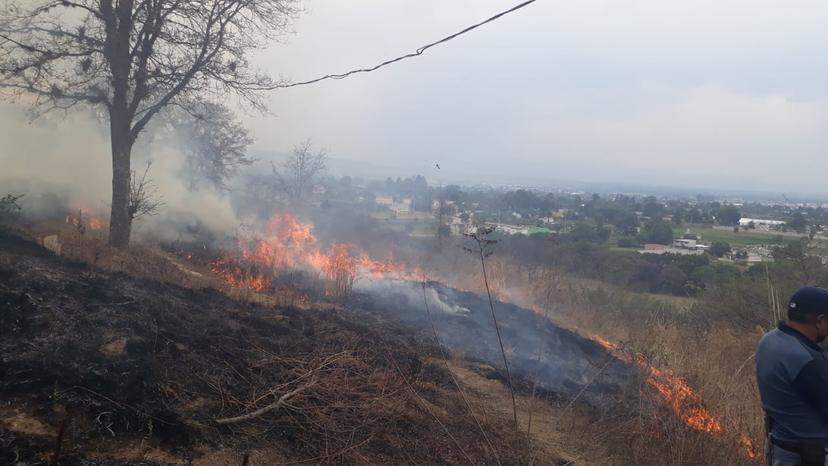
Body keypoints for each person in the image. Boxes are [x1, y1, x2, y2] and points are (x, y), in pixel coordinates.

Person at [756, 285, 828, 466]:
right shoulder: (806, 360)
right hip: (808, 455)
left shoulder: (769, 340)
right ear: (820, 321)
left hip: (781, 447)